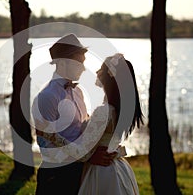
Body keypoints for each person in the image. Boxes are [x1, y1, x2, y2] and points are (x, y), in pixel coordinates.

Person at [32, 33, 116, 195]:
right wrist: (89, 158)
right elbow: (46, 146)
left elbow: (82, 132)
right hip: (56, 176)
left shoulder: (79, 92)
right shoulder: (47, 97)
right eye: (79, 63)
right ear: (63, 63)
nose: (84, 68)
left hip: (80, 172)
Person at [78, 53, 144, 195]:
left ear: (109, 76)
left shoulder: (104, 112)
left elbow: (82, 151)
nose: (97, 72)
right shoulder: (119, 110)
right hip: (118, 168)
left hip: (101, 171)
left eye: (101, 69)